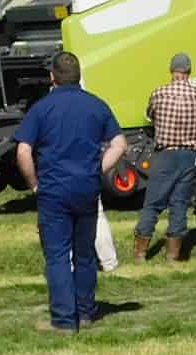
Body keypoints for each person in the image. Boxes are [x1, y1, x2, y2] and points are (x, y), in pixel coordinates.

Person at [14, 53, 126, 333]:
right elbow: (119, 144)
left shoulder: (41, 108)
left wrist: (34, 183)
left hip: (53, 189)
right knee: (85, 253)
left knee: (58, 256)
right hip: (86, 188)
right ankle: (86, 312)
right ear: (78, 75)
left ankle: (64, 320)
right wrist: (97, 169)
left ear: (53, 76)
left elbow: (23, 151)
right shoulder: (96, 105)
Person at [137, 52, 196, 263]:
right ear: (189, 72)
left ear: (171, 70)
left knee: (153, 204)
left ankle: (141, 253)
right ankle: (172, 255)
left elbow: (150, 116)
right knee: (179, 204)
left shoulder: (158, 93)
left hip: (165, 154)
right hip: (188, 155)